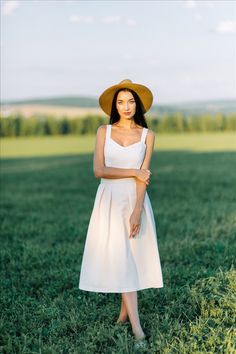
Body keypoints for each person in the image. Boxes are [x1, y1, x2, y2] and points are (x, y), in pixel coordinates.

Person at [78, 79, 164, 347]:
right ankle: (137, 329)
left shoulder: (147, 136)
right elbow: (99, 170)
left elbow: (144, 177)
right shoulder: (103, 131)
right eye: (120, 102)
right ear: (114, 106)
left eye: (130, 101)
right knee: (122, 256)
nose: (126, 107)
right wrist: (133, 171)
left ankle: (124, 316)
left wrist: (138, 210)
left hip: (135, 200)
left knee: (130, 257)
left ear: (137, 105)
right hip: (109, 200)